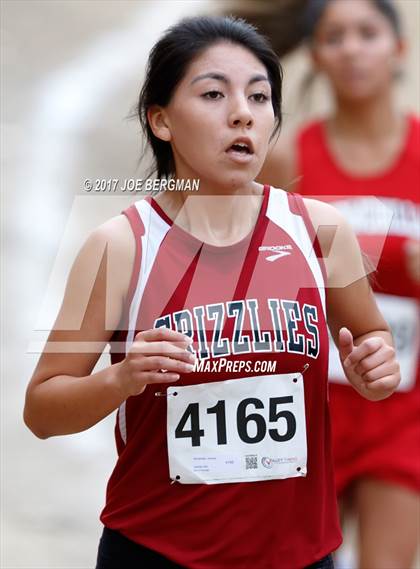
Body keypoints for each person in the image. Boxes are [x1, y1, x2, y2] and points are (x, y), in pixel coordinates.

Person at [23, 15, 401, 569]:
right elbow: (42, 410)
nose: (242, 112)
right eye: (213, 94)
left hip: (299, 556)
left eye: (259, 96)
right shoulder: (119, 245)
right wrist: (120, 378)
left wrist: (374, 369)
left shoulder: (320, 230)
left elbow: (372, 342)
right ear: (161, 120)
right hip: (157, 553)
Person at [255, 1, 420, 568]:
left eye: (367, 33)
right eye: (334, 37)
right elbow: (251, 275)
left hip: (405, 409)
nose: (351, 48)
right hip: (307, 407)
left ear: (398, 49)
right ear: (316, 57)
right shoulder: (286, 158)